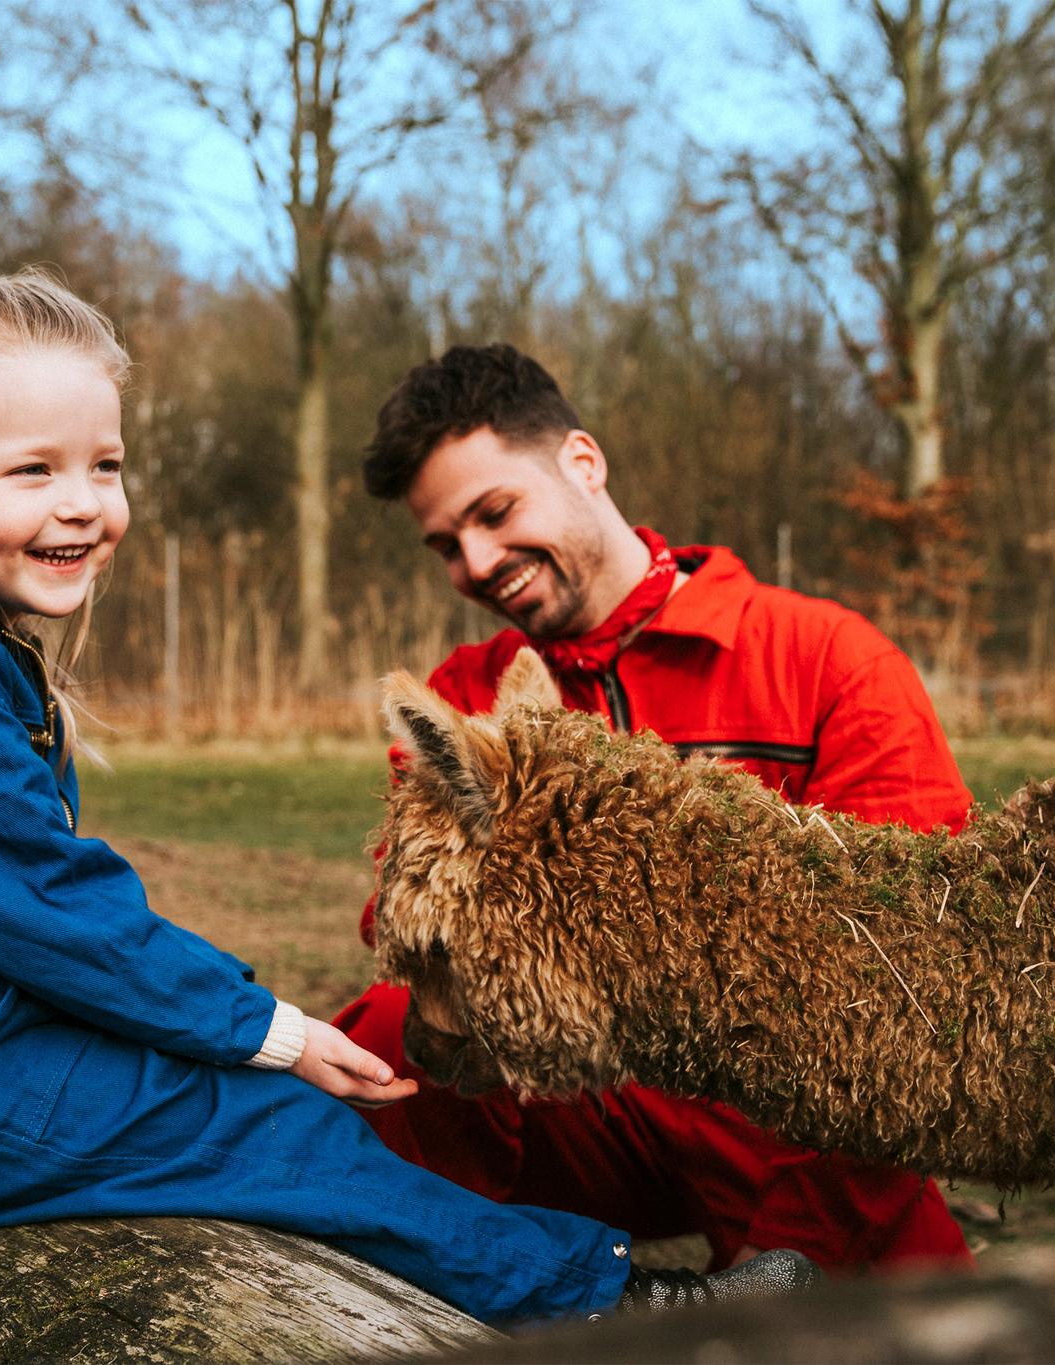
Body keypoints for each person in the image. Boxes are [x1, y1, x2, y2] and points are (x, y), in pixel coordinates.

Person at [0, 272, 817, 1327]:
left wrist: (220, 1032)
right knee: (270, 1122)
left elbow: (9, 909)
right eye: (30, 471)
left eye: (104, 466)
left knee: (251, 1096)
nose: (82, 505)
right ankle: (594, 1302)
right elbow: (46, 907)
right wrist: (260, 1031)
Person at [334, 343, 977, 1275]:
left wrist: (796, 1245)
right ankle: (454, 1277)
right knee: (401, 1029)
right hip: (576, 1099)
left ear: (583, 463)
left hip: (798, 1112)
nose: (475, 562)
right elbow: (407, 926)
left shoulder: (825, 660)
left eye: (495, 512)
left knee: (911, 1302)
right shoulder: (469, 698)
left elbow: (914, 963)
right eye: (445, 544)